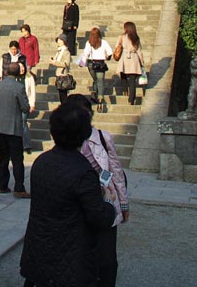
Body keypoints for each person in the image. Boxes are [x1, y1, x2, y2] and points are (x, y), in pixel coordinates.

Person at [19, 101, 116, 287]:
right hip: (71, 253)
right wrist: (108, 202)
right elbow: (99, 218)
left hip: (40, 247)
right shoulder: (83, 172)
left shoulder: (41, 162)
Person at [67, 94, 130, 287]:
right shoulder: (66, 140)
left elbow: (116, 170)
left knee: (107, 257)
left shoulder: (103, 137)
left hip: (105, 201)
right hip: (78, 204)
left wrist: (124, 203)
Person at [0, 62, 30, 197]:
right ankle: (19, 188)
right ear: (19, 72)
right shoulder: (19, 87)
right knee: (17, 159)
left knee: (3, 157)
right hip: (13, 127)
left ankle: (2, 185)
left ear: (6, 72)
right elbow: (25, 107)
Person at [81, 27, 113, 112]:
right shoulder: (104, 42)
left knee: (95, 79)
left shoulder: (89, 43)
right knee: (100, 81)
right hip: (101, 63)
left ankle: (94, 92)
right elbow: (110, 52)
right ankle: (100, 99)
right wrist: (107, 57)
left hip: (91, 63)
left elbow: (85, 54)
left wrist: (82, 63)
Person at [114, 21, 144, 105]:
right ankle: (132, 99)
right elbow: (139, 50)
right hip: (134, 59)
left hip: (124, 58)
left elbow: (117, 46)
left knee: (122, 74)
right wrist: (141, 61)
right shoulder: (136, 37)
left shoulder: (122, 37)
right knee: (132, 80)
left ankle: (125, 90)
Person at [51, 34, 73, 103]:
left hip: (63, 74)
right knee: (61, 94)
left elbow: (66, 63)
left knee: (63, 94)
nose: (58, 41)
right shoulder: (59, 51)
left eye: (60, 40)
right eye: (58, 40)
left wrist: (55, 62)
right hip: (59, 74)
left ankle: (65, 108)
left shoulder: (66, 52)